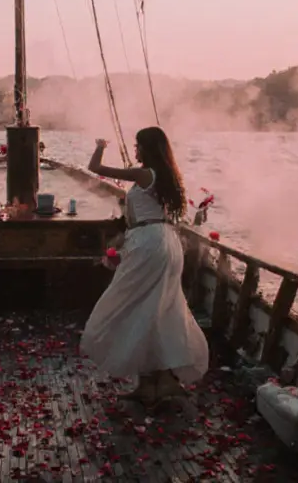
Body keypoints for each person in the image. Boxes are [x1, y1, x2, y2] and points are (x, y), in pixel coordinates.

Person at [81, 127, 209, 404]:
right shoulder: (166, 175)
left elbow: (95, 168)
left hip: (149, 244)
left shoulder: (144, 174)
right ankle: (158, 381)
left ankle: (154, 381)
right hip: (165, 241)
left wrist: (101, 145)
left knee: (133, 306)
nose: (135, 149)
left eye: (138, 145)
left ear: (148, 148)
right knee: (156, 309)